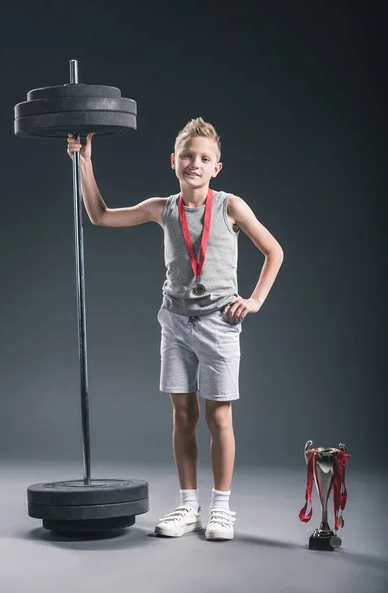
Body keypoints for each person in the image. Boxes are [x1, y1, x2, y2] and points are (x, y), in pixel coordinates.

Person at [67, 117, 284, 541]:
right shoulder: (162, 208)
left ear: (217, 167)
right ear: (173, 161)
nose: (195, 164)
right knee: (183, 415)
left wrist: (254, 300)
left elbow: (274, 250)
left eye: (205, 158)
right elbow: (99, 215)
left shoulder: (231, 207)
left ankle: (221, 508)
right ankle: (188, 505)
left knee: (218, 415)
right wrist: (85, 162)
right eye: (187, 156)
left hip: (219, 325)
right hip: (175, 324)